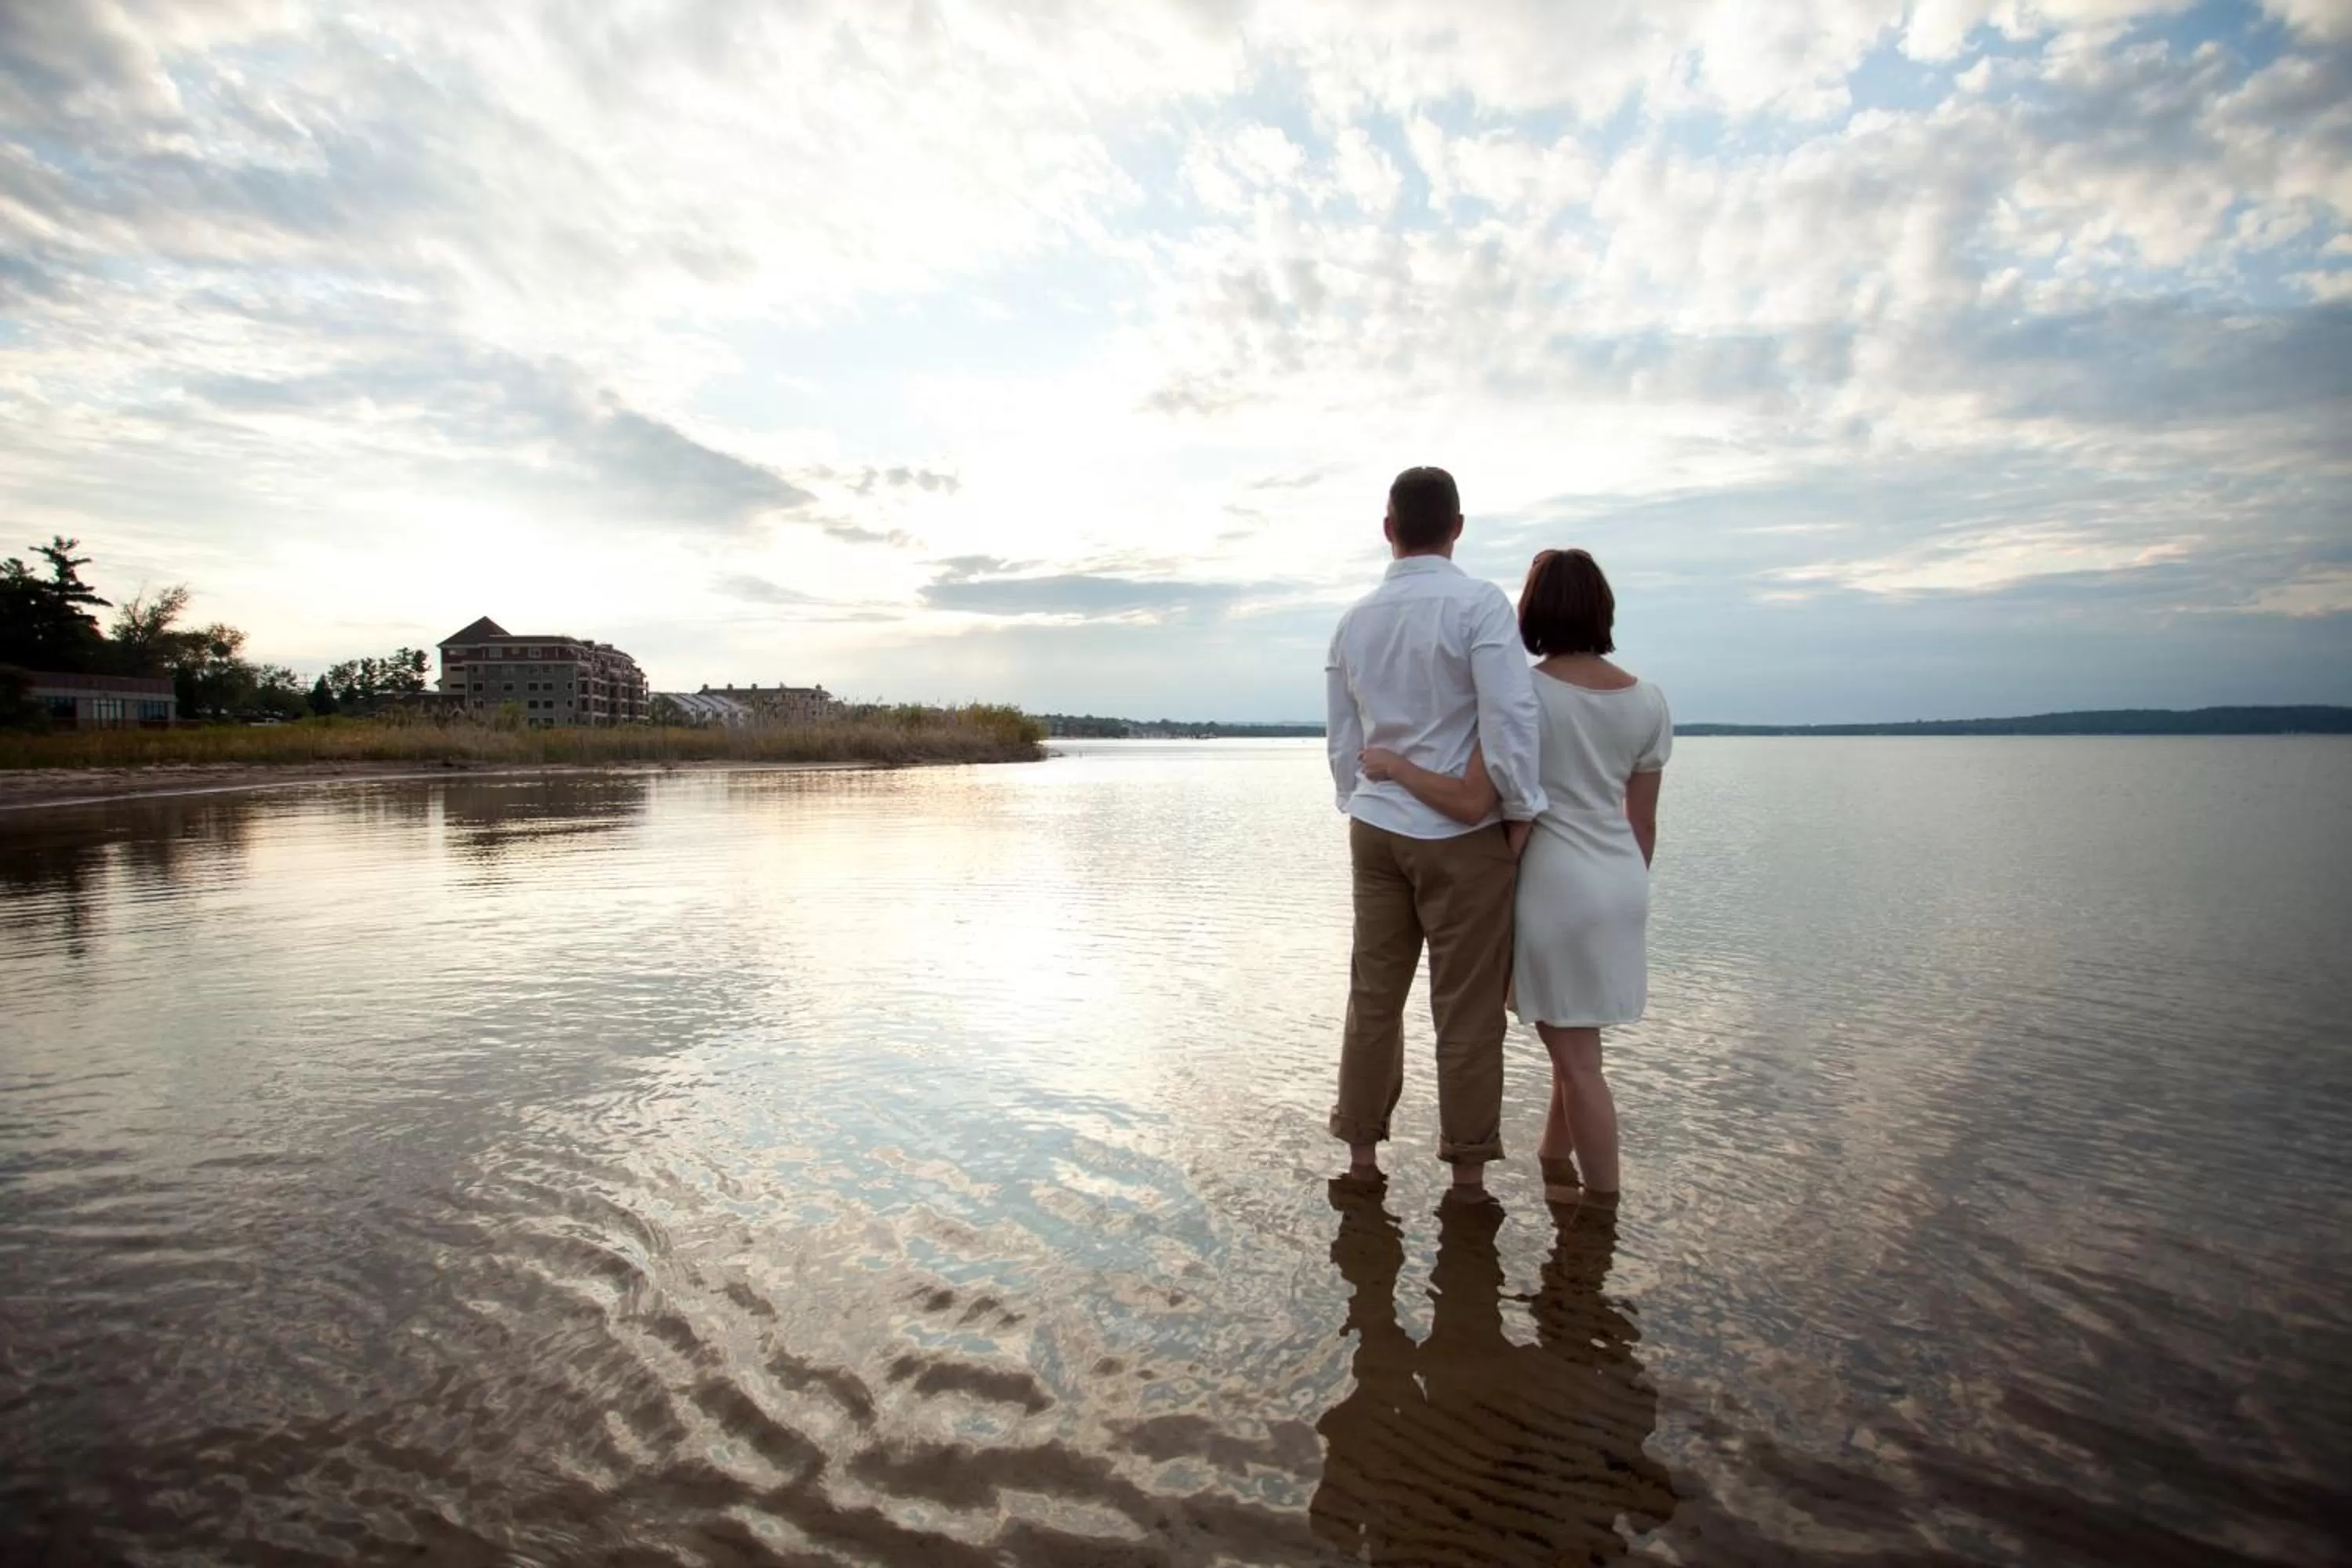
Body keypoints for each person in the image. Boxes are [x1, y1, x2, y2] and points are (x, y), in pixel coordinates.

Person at [1360, 548, 1669, 1205]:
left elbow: (1513, 804)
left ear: (1532, 612)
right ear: (1602, 609)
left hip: (1554, 883)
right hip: (1621, 881)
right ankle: (1554, 1167)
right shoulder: (1649, 702)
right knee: (1579, 1046)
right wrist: (1624, 891)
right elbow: (1643, 825)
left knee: (1579, 1062)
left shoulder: (1523, 691)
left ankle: (1603, 1208)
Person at [1325, 467, 1548, 1196]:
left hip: (1376, 827)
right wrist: (1519, 810)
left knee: (1374, 997)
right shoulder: (1479, 607)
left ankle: (1362, 1160)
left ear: (1388, 529)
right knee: (1467, 1009)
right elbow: (1511, 719)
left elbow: (1343, 736)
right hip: (1462, 835)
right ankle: (1468, 1177)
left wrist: (1356, 798)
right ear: (1457, 526)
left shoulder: (1355, 621)